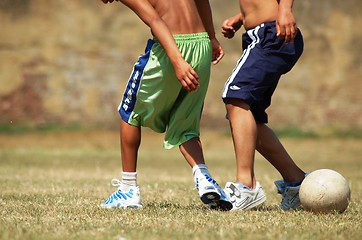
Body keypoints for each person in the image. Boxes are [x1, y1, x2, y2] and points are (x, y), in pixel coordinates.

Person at [99, 0, 232, 211]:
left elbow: (155, 20)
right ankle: (204, 178)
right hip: (201, 45)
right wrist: (212, 37)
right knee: (185, 122)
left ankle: (128, 189)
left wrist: (178, 61)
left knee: (130, 112)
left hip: (171, 48)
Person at [220, 0, 307, 210]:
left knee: (236, 96)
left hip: (272, 33)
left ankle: (246, 186)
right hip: (262, 35)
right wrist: (241, 17)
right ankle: (296, 183)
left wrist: (285, 9)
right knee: (250, 120)